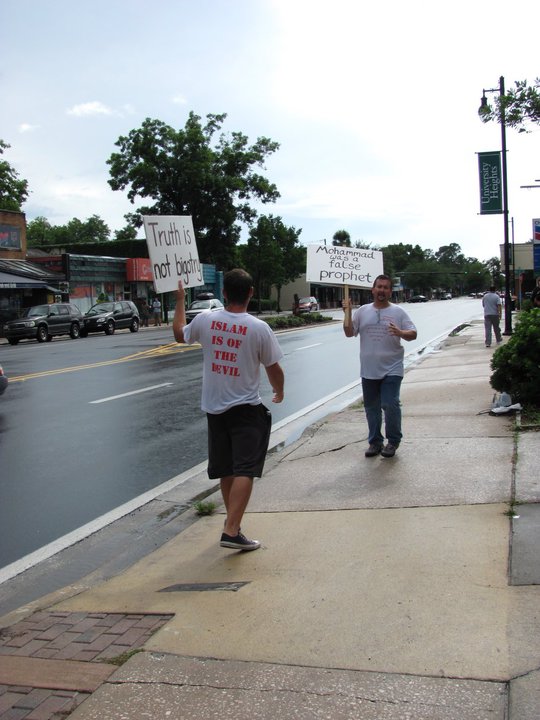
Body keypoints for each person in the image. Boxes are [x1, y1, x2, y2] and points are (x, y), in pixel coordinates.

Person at [173, 269, 285, 551]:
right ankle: (231, 529)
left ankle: (232, 526)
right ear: (250, 293)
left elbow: (178, 334)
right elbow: (273, 368)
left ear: (224, 293)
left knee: (227, 470)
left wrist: (180, 300)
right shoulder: (259, 328)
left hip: (214, 409)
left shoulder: (205, 319)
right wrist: (279, 390)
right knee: (246, 469)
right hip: (246, 409)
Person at [343, 274, 417, 458]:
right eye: (379, 287)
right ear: (373, 290)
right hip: (369, 369)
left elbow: (413, 333)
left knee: (389, 403)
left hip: (392, 367)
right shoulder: (362, 311)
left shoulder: (398, 312)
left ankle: (393, 441)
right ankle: (375, 442)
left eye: (386, 287)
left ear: (390, 291)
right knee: (371, 408)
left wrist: (400, 332)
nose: (382, 290)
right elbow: (349, 333)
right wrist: (348, 312)